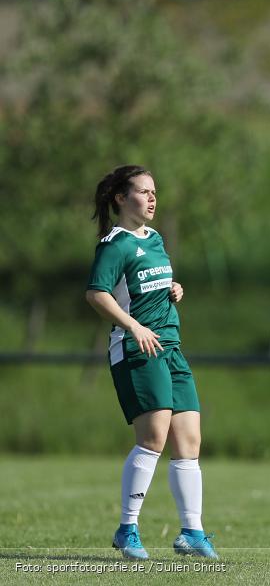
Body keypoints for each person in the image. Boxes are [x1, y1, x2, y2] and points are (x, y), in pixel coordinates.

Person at [85, 165, 218, 560]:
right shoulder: (115, 244)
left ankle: (191, 533)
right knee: (154, 435)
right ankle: (128, 529)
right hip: (135, 347)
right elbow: (97, 294)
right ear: (121, 199)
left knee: (189, 440)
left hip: (171, 346)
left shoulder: (155, 239)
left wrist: (172, 289)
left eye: (155, 192)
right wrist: (133, 325)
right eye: (143, 192)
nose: (152, 198)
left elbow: (148, 284)